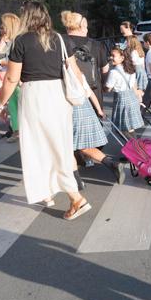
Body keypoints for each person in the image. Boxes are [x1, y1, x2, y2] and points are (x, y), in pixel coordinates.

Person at [0, 1, 90, 220]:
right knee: (58, 146)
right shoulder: (60, 38)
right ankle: (47, 191)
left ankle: (76, 198)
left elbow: (11, 78)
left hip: (35, 96)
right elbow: (74, 70)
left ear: (26, 17)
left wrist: (1, 103)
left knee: (38, 148)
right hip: (59, 96)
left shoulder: (20, 41)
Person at [59, 11, 124, 186]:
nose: (88, 29)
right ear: (80, 26)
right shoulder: (96, 45)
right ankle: (90, 160)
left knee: (69, 134)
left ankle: (79, 167)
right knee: (93, 127)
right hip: (92, 91)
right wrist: (104, 86)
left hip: (69, 94)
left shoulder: (60, 43)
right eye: (86, 26)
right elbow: (104, 70)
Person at [0, 13, 24, 141]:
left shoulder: (18, 41)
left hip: (17, 78)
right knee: (12, 105)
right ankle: (16, 131)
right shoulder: (8, 40)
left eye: (3, 25)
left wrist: (1, 62)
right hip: (10, 77)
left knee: (19, 106)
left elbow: (16, 62)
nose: (2, 28)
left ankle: (20, 131)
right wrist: (3, 39)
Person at [107, 48, 144, 135]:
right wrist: (138, 98)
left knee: (121, 129)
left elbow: (108, 89)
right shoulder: (130, 69)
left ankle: (134, 147)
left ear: (122, 58)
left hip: (122, 101)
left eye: (113, 56)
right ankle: (135, 146)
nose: (111, 58)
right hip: (132, 99)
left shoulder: (113, 72)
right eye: (110, 55)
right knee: (130, 128)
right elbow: (134, 85)